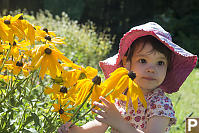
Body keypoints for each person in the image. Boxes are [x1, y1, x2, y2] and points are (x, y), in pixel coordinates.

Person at [57, 22, 198, 133]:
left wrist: (119, 123)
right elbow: (99, 124)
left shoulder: (160, 103)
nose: (151, 69)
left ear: (167, 69)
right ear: (127, 64)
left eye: (160, 63)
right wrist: (77, 130)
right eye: (143, 61)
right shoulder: (119, 93)